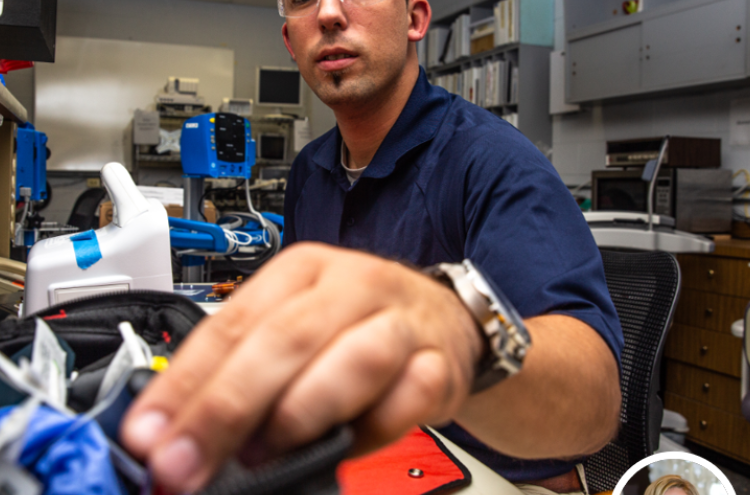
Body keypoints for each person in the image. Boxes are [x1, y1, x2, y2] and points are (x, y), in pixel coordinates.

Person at [120, 0, 623, 492]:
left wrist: (454, 328)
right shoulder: (310, 170)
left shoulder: (494, 162)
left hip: (498, 476)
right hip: (365, 457)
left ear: (416, 18)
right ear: (289, 41)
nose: (329, 12)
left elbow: (596, 402)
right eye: (301, 0)